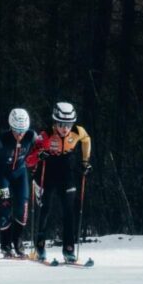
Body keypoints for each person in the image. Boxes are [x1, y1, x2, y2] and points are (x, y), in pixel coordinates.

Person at [30, 101, 92, 262]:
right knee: (45, 209)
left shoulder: (78, 131)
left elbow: (86, 140)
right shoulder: (45, 135)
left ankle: (69, 249)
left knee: (69, 210)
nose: (65, 128)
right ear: (55, 122)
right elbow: (29, 159)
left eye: (69, 124)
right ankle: (40, 246)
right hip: (48, 170)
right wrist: (39, 155)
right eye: (61, 124)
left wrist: (85, 161)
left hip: (66, 169)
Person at [0, 108, 37, 258]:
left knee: (23, 206)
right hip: (2, 173)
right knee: (5, 205)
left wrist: (37, 163)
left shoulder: (31, 136)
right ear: (11, 127)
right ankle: (6, 246)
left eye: (23, 131)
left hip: (20, 172)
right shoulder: (1, 140)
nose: (20, 134)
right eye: (16, 131)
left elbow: (40, 150)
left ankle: (18, 242)